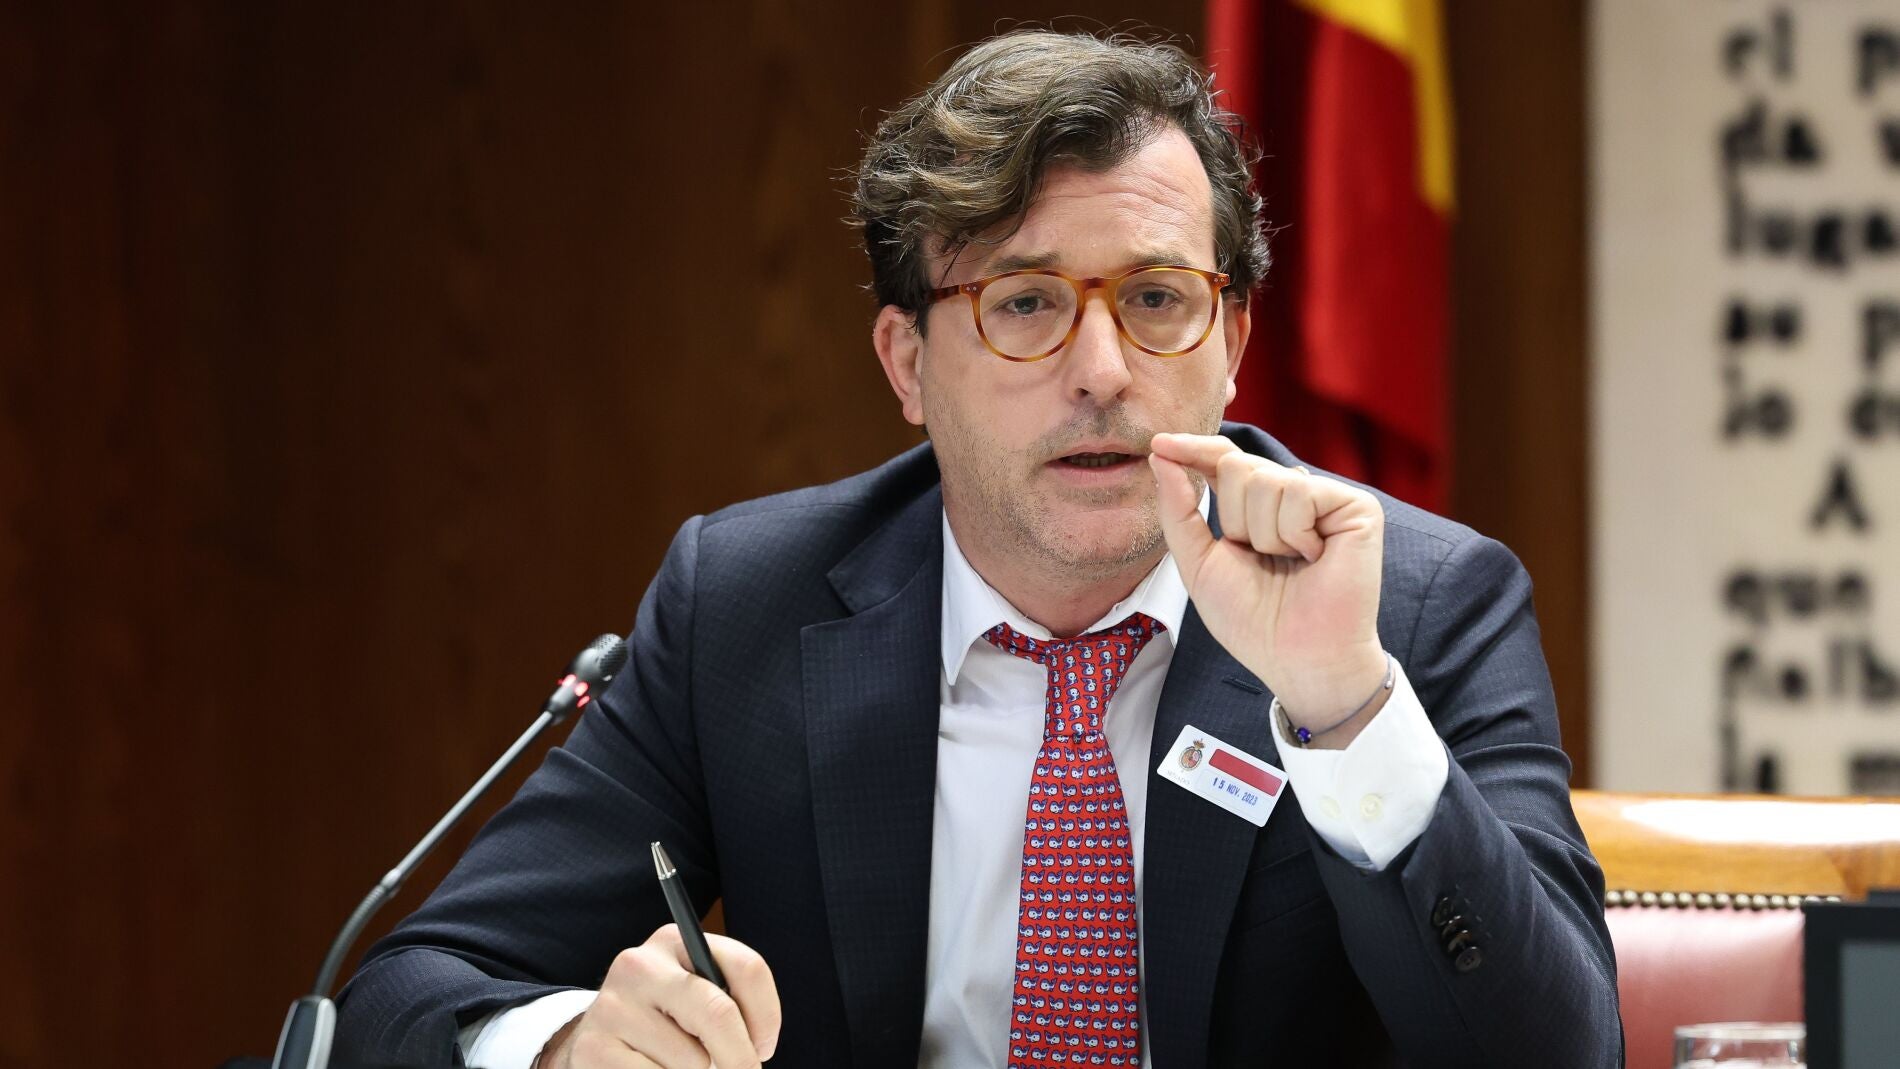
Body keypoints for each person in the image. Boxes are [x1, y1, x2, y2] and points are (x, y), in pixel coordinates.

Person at [336, 29, 1621, 1069]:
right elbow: (408, 989)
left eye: (1157, 299)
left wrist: (1344, 709)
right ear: (907, 364)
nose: (1102, 371)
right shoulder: (748, 604)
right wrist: (566, 1046)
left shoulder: (1414, 605)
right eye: (1024, 303)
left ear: (1232, 346)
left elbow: (1565, 1051)